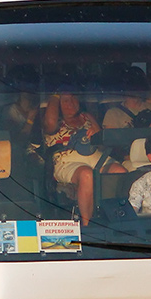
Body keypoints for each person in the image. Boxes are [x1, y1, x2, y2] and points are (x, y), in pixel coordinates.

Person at [42, 92, 126, 226]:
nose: (71, 102)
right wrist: (56, 93)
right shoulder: (54, 122)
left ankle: (116, 220)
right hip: (67, 159)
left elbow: (102, 142)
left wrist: (95, 135)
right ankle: (88, 225)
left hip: (95, 156)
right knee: (87, 174)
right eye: (65, 100)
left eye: (73, 98)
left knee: (120, 171)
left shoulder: (86, 116)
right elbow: (50, 121)